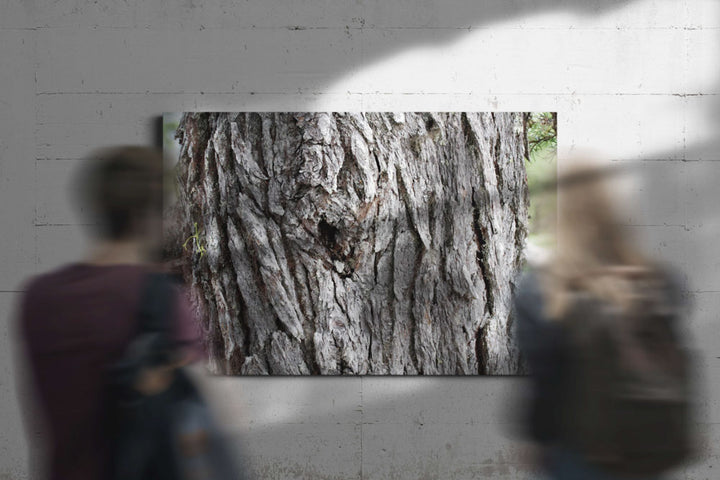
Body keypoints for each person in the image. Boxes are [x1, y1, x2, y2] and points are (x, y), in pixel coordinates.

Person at [15, 146, 203, 480]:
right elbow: (203, 423)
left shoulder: (38, 297)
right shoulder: (160, 298)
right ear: (149, 215)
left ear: (99, 206)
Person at [513, 159, 695, 480]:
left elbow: (545, 382)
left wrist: (536, 439)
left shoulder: (543, 288)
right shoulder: (661, 280)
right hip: (650, 444)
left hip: (580, 451)